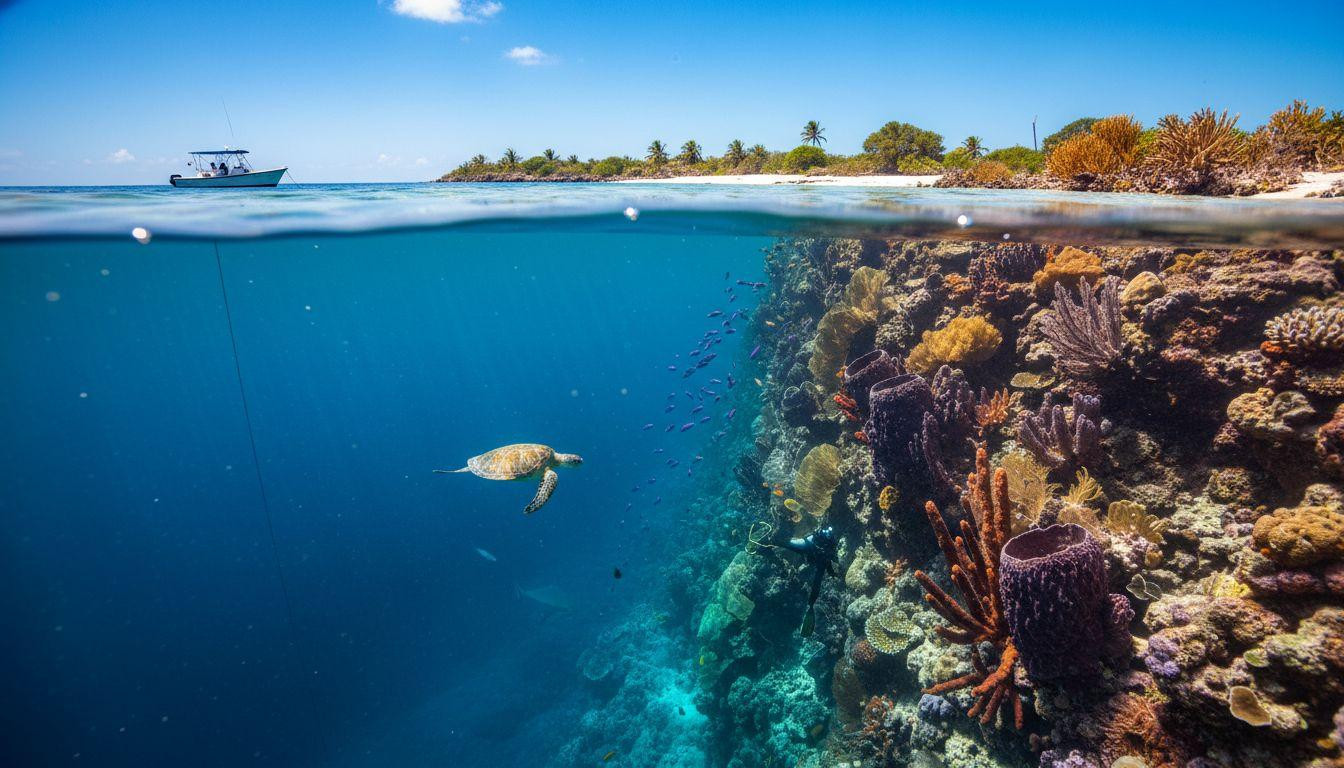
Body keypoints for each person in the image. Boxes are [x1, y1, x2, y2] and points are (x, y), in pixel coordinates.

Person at [782, 524, 837, 637]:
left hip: (815, 553)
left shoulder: (830, 546)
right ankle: (774, 540)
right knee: (790, 545)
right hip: (809, 547)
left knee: (817, 582)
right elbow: (828, 560)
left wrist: (832, 572)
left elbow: (828, 561)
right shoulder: (821, 539)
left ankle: (811, 605)